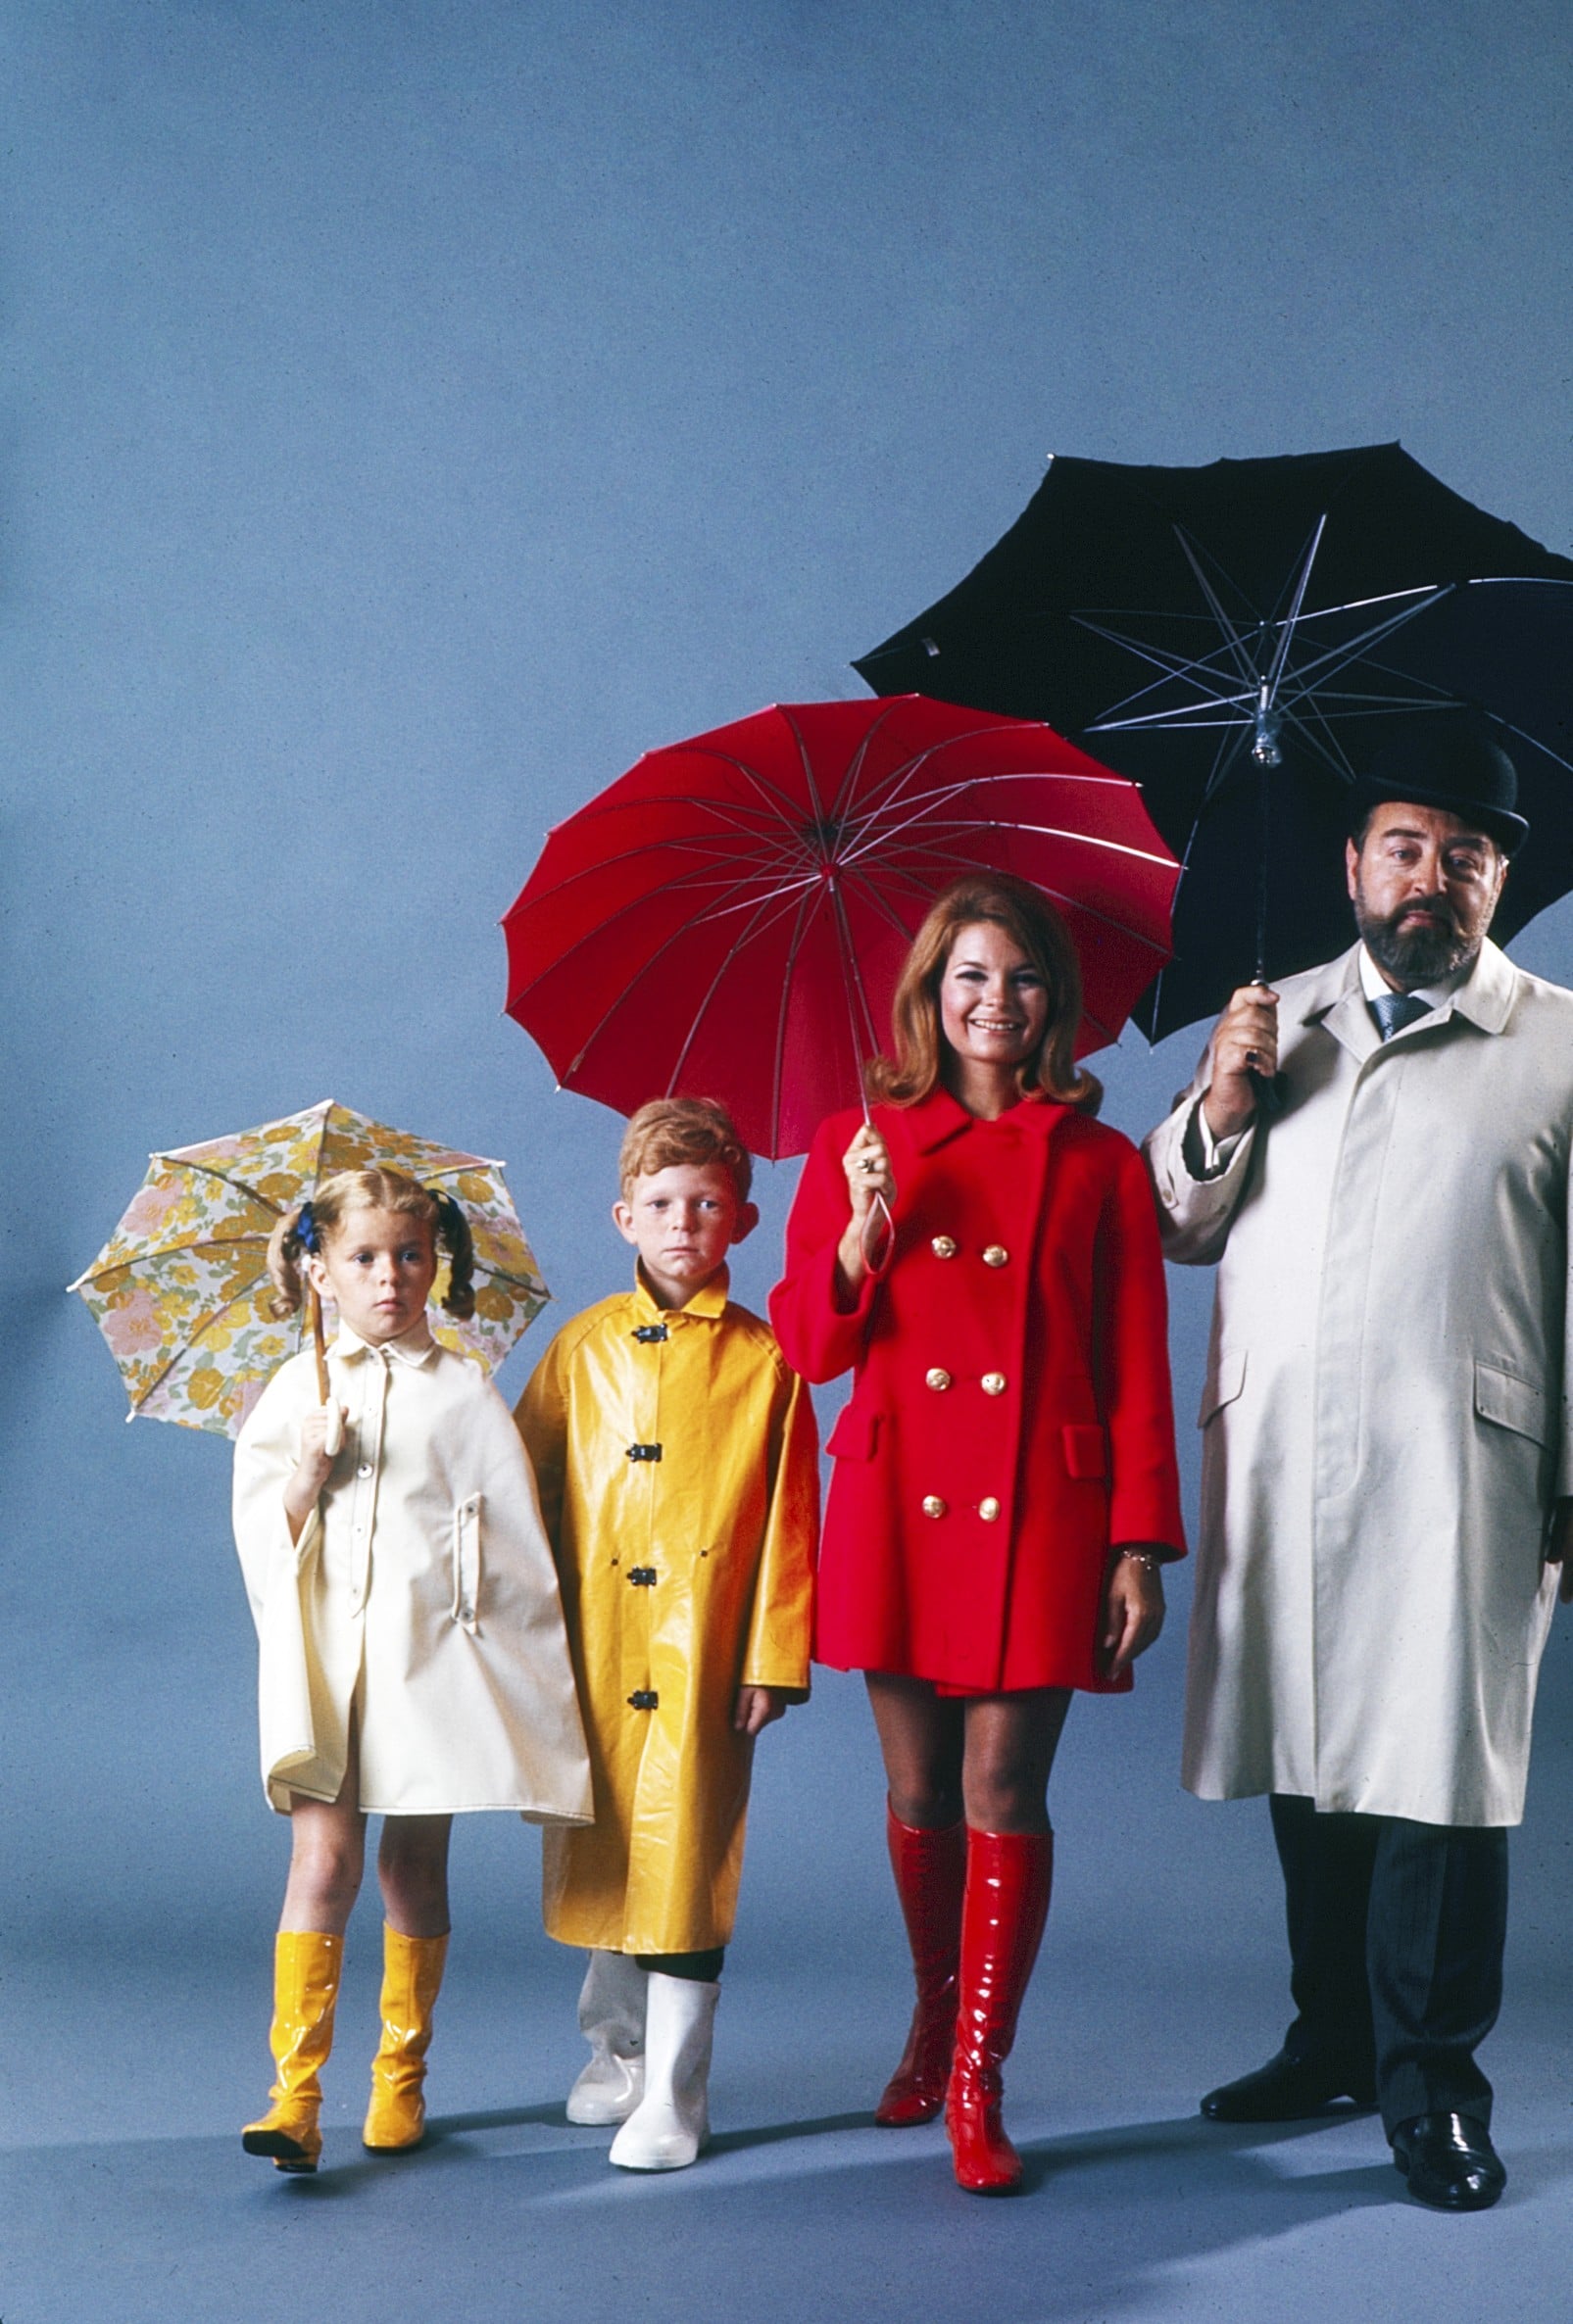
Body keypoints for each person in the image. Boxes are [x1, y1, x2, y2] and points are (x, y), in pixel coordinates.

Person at [1144, 714, 1573, 2212]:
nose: (1429, 877)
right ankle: (1330, 2039)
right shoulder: (1272, 1021)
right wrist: (1221, 1105)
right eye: (1403, 846)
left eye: (1465, 856)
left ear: (1499, 882)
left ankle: (1433, 2086)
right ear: (1350, 864)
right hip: (1284, 1455)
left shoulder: (1560, 1042)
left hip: (1468, 1457)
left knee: (1440, 1775)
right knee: (1308, 1755)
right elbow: (1176, 1224)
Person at [769, 873, 1185, 2195]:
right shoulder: (860, 1136)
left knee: (1004, 1790)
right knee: (913, 1793)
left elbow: (1135, 1361)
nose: (992, 1001)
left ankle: (976, 2078)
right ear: (927, 998)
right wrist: (858, 1236)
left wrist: (1138, 1542)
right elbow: (807, 1348)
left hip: (1046, 1510)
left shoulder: (1101, 1160)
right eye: (967, 977)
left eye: (1018, 978)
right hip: (900, 1503)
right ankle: (929, 2015)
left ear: (1052, 999)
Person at [232, 1167, 590, 2173]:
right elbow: (264, 1537)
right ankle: (295, 2096)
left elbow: (508, 1538)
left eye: (411, 1254)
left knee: (409, 1866)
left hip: (427, 1661)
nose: (389, 1276)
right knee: (323, 1861)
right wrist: (305, 1473)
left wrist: (493, 1652)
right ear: (319, 1271)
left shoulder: (462, 1389)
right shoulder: (295, 1388)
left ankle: (401, 2074)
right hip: (330, 1665)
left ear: (437, 1262)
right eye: (363, 1257)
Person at [516, 1097, 817, 2172]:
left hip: (705, 1649)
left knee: (686, 1856)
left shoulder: (767, 1362)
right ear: (621, 1216)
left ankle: (676, 2093)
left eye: (705, 1201)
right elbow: (522, 1493)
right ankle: (618, 2049)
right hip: (593, 1643)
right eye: (660, 1202)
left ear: (740, 1215)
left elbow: (789, 1516)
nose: (682, 1220)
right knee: (604, 1849)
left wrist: (774, 1657)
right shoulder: (579, 1349)